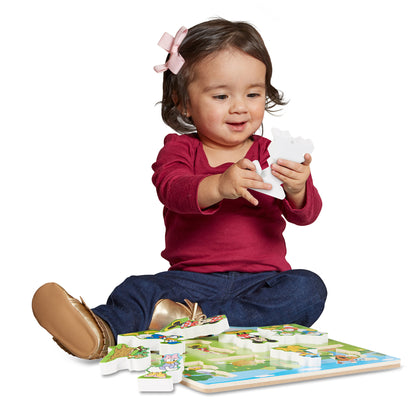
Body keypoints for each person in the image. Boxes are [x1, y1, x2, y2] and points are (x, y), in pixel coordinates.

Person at [32, 18, 327, 360]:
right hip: (189, 283)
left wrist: (298, 188)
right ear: (183, 101)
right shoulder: (179, 149)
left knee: (308, 288)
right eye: (221, 95)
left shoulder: (272, 153)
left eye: (253, 94)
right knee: (139, 288)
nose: (240, 107)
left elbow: (306, 215)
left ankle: (200, 321)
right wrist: (219, 185)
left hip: (261, 282)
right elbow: (172, 189)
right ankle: (101, 329)